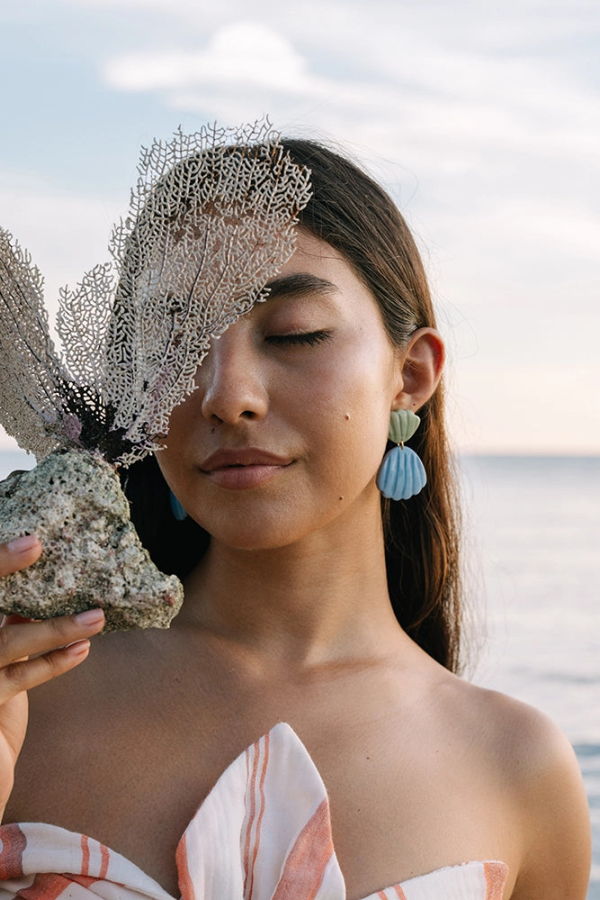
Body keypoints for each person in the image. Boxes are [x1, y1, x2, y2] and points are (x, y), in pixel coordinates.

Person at [0, 138, 591, 899]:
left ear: (410, 375)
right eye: (173, 345)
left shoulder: (517, 768)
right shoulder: (24, 693)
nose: (225, 393)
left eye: (295, 333)